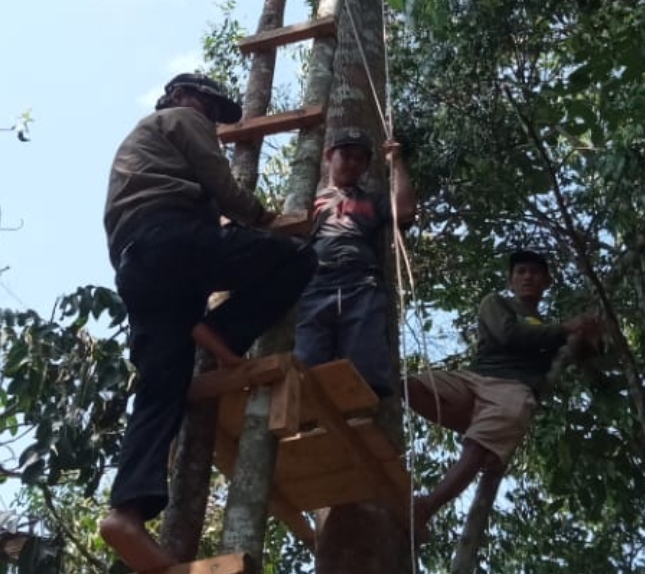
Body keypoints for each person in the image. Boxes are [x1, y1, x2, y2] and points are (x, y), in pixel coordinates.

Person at [99, 72, 318, 573]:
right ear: (180, 96)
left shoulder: (144, 144)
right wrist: (261, 217)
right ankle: (218, 332)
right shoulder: (179, 119)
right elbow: (221, 185)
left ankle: (126, 514)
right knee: (299, 259)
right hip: (171, 237)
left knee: (160, 392)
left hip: (137, 264)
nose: (212, 119)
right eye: (208, 105)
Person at [406, 249, 602, 541]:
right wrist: (565, 329)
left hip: (514, 390)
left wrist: (592, 334)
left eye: (534, 273)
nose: (527, 277)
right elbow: (508, 335)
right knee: (408, 386)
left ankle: (427, 507)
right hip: (476, 379)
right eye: (520, 272)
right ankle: (478, 430)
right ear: (510, 281)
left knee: (477, 448)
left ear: (546, 282)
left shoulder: (555, 333)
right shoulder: (496, 303)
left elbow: (590, 359)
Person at [293, 127, 417, 398]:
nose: (352, 163)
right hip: (315, 281)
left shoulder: (371, 201)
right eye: (346, 155)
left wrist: (395, 161)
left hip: (360, 281)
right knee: (305, 361)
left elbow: (405, 210)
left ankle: (357, 417)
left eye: (359, 159)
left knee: (364, 365)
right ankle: (307, 420)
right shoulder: (308, 203)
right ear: (328, 156)